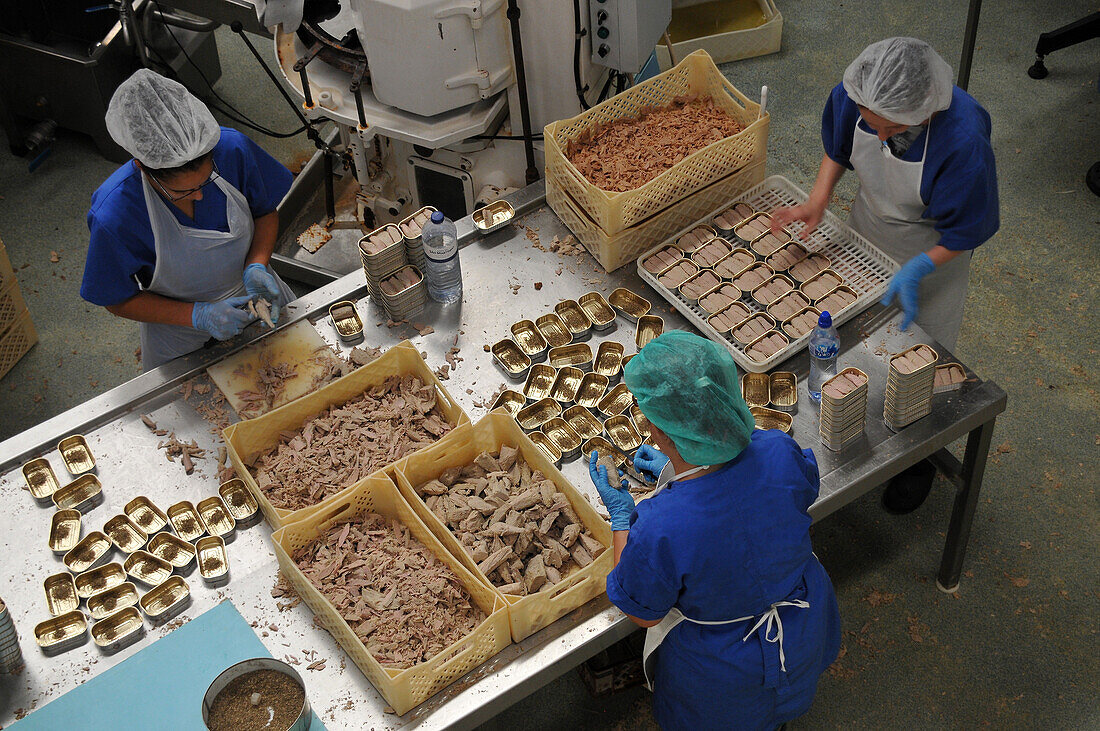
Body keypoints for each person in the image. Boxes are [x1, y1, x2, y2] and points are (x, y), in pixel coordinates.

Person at [771, 37, 999, 513]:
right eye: (869, 124)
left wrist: (919, 267)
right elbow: (839, 146)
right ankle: (850, 423)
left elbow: (969, 226)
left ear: (923, 114)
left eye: (889, 128)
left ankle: (916, 459)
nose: (877, 138)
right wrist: (818, 200)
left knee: (919, 362)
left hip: (932, 251)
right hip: (868, 228)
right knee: (854, 337)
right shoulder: (855, 96)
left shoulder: (962, 142)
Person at [589, 331, 841, 731]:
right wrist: (679, 468)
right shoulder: (779, 450)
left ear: (658, 432)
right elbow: (796, 489)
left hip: (722, 672)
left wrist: (622, 519)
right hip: (801, 630)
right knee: (777, 711)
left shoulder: (662, 525)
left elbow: (640, 613)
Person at [81, 69, 296, 372]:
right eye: (183, 191)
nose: (198, 197)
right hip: (177, 327)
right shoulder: (115, 215)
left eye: (206, 182)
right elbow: (116, 300)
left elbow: (264, 211)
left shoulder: (233, 150)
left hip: (259, 295)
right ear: (142, 167)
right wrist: (199, 315)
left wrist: (257, 264)